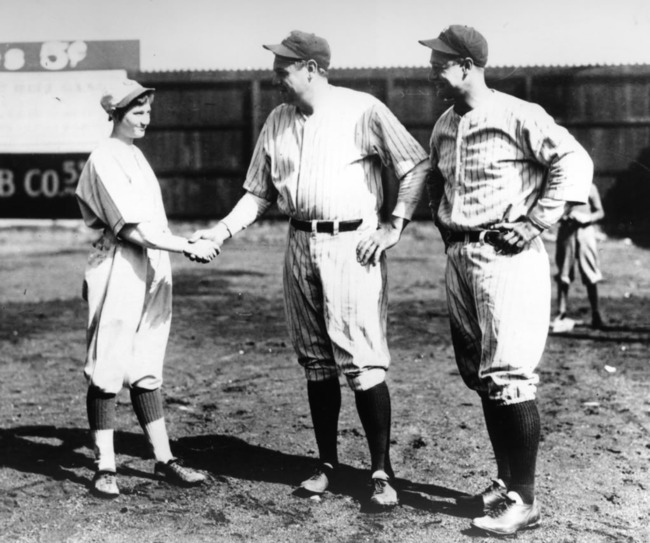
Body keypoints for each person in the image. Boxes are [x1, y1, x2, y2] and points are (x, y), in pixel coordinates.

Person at [192, 30, 428, 507]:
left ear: (313, 69)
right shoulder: (277, 120)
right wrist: (219, 233)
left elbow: (414, 163)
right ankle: (327, 464)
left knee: (361, 362)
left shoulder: (363, 108)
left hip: (352, 244)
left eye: (284, 68)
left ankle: (381, 472)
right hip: (299, 241)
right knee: (316, 363)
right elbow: (258, 193)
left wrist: (394, 226)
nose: (276, 76)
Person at [418, 25, 593, 535]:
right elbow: (437, 180)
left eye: (440, 63)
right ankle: (507, 479)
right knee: (483, 375)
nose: (432, 72)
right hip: (461, 255)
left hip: (506, 256)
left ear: (468, 65)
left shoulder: (519, 113)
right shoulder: (445, 124)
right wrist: (445, 226)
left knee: (509, 375)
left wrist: (535, 222)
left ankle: (527, 500)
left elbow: (573, 161)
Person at [75, 79, 217, 498]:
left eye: (148, 111)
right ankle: (104, 465)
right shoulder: (103, 158)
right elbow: (131, 229)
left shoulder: (136, 155)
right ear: (115, 115)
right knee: (108, 365)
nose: (145, 118)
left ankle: (164, 458)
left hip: (154, 261)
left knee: (147, 363)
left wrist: (176, 246)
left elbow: (151, 228)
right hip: (119, 262)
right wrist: (187, 244)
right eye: (136, 112)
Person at [554, 182, 605, 329]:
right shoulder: (562, 185)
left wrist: (587, 218)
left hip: (585, 232)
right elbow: (553, 210)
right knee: (564, 274)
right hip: (567, 231)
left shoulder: (590, 186)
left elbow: (600, 212)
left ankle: (596, 313)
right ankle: (561, 313)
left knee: (590, 274)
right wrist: (564, 217)